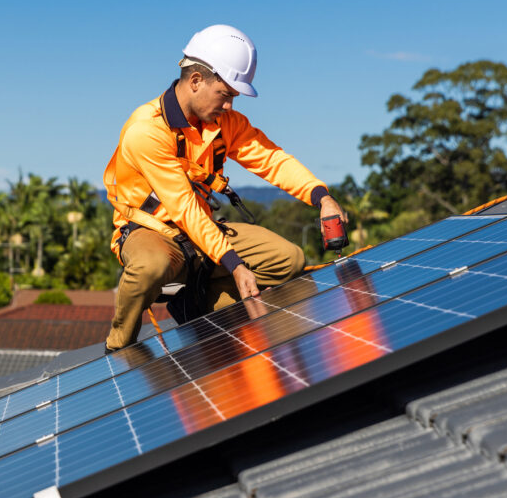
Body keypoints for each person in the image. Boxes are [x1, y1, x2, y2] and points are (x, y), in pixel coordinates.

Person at [103, 24, 347, 351]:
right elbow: (184, 208)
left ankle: (201, 308)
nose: (230, 106)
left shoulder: (224, 124)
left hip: (202, 233)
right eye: (226, 94)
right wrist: (234, 263)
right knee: (150, 267)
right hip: (154, 233)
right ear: (195, 81)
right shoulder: (146, 130)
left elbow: (272, 160)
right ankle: (118, 350)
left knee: (288, 259)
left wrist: (322, 197)